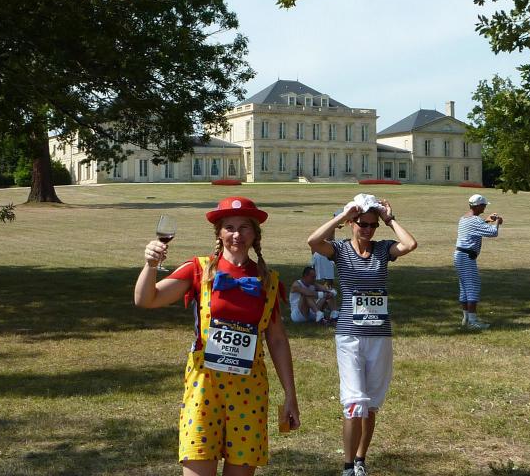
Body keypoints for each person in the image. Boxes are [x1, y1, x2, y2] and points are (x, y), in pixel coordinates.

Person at [134, 196, 300, 476]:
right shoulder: (199, 269)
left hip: (249, 388)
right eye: (229, 227)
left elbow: (277, 340)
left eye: (244, 227)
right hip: (204, 385)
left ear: (255, 234)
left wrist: (290, 395)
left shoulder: (268, 280)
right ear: (219, 233)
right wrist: (150, 265)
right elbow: (145, 299)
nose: (237, 235)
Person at [307, 193, 417, 476]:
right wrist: (343, 216)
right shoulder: (340, 250)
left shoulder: (383, 250)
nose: (367, 229)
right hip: (350, 335)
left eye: (372, 225)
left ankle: (360, 460)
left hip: (379, 335)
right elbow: (313, 241)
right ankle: (347, 466)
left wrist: (389, 219)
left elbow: (410, 244)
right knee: (355, 402)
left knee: (370, 405)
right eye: (362, 224)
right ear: (352, 223)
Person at [453, 193, 504, 330]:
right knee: (472, 287)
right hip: (467, 257)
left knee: (464, 288)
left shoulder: (464, 218)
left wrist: (486, 221)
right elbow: (493, 233)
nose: (485, 208)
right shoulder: (475, 220)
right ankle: (473, 322)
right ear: (478, 206)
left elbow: (475, 228)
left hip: (460, 255)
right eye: (484, 205)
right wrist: (498, 222)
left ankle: (466, 319)